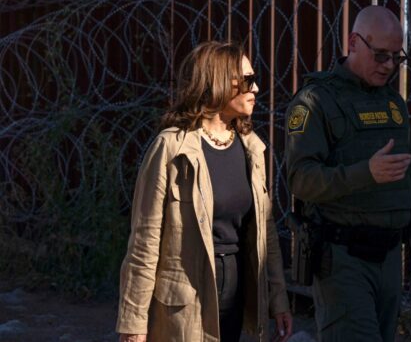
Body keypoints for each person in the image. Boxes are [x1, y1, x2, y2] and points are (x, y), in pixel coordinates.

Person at [116, 41, 292, 342]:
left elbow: (266, 234)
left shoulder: (252, 148)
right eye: (248, 80)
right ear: (219, 82)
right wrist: (134, 325)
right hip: (186, 298)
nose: (257, 88)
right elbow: (144, 241)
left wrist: (279, 301)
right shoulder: (172, 149)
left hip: (236, 288)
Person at [284, 5, 411, 341]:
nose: (389, 66)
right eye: (381, 56)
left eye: (397, 57)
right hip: (343, 261)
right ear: (353, 42)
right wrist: (365, 173)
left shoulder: (394, 105)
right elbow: (301, 179)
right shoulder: (315, 102)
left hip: (390, 260)